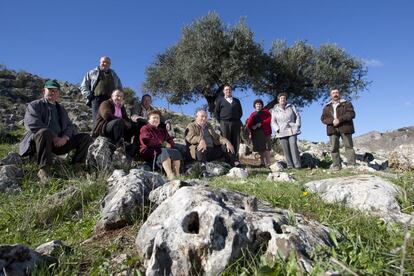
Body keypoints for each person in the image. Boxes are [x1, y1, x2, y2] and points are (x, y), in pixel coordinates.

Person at [19, 80, 93, 183]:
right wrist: (54, 137)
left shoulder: (61, 108)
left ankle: (78, 166)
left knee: (85, 137)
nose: (52, 92)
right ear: (43, 91)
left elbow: (69, 126)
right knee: (44, 132)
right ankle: (44, 170)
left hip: (58, 144)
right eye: (50, 90)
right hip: (39, 143)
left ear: (59, 93)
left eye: (55, 91)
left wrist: (65, 138)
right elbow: (32, 123)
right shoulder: (34, 105)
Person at [92, 89, 140, 157]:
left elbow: (126, 118)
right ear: (112, 96)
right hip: (104, 128)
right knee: (119, 122)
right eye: (117, 96)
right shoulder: (106, 103)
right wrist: (123, 121)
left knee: (134, 126)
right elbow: (106, 115)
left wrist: (129, 123)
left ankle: (131, 146)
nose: (119, 98)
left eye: (121, 96)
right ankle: (119, 146)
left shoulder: (121, 107)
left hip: (118, 127)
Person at [140, 110, 182, 180]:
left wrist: (170, 144)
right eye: (154, 118)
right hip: (148, 152)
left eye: (158, 118)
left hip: (160, 152)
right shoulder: (145, 128)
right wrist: (163, 143)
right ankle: (170, 175)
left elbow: (170, 140)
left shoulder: (162, 130)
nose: (156, 120)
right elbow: (147, 141)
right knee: (163, 150)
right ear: (148, 120)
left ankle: (177, 174)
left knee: (175, 151)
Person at [321, 88, 356, 170]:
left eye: (337, 92)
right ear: (331, 95)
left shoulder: (346, 103)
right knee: (334, 148)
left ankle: (351, 164)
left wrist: (339, 120)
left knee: (348, 146)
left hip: (345, 127)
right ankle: (336, 165)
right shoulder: (327, 107)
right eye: (333, 93)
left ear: (339, 94)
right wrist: (332, 121)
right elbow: (323, 118)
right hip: (332, 129)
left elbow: (351, 114)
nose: (335, 94)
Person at [80, 56, 122, 124]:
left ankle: (108, 134)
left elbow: (119, 88)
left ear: (110, 64)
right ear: (100, 62)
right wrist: (88, 95)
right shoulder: (92, 72)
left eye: (107, 62)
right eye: (103, 62)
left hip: (110, 100)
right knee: (97, 120)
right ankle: (97, 134)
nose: (105, 64)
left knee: (110, 119)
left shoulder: (114, 75)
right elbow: (84, 85)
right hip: (96, 99)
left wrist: (119, 98)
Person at [214, 85, 242, 166]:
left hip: (235, 123)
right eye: (226, 90)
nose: (228, 91)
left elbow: (240, 112)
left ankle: (235, 160)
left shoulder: (236, 101)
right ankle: (227, 160)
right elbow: (216, 113)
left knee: (235, 141)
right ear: (223, 91)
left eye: (229, 89)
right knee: (226, 141)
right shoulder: (220, 101)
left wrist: (235, 119)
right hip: (224, 123)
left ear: (231, 91)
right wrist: (221, 121)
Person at [271, 93, 301, 169]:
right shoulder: (274, 110)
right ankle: (290, 165)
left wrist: (297, 125)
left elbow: (297, 116)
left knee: (293, 146)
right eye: (281, 98)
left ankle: (297, 165)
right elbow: (273, 121)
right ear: (278, 100)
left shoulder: (291, 107)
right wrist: (277, 129)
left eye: (284, 98)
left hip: (292, 129)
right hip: (281, 131)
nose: (283, 99)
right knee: (285, 149)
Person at [246, 99, 272, 167]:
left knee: (266, 148)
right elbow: (249, 124)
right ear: (254, 106)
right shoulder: (252, 114)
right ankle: (262, 163)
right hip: (256, 134)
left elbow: (269, 119)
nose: (258, 105)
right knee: (260, 149)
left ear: (262, 105)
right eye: (257, 104)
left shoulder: (266, 112)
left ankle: (268, 163)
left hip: (265, 132)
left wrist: (261, 123)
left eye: (260, 104)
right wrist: (251, 129)